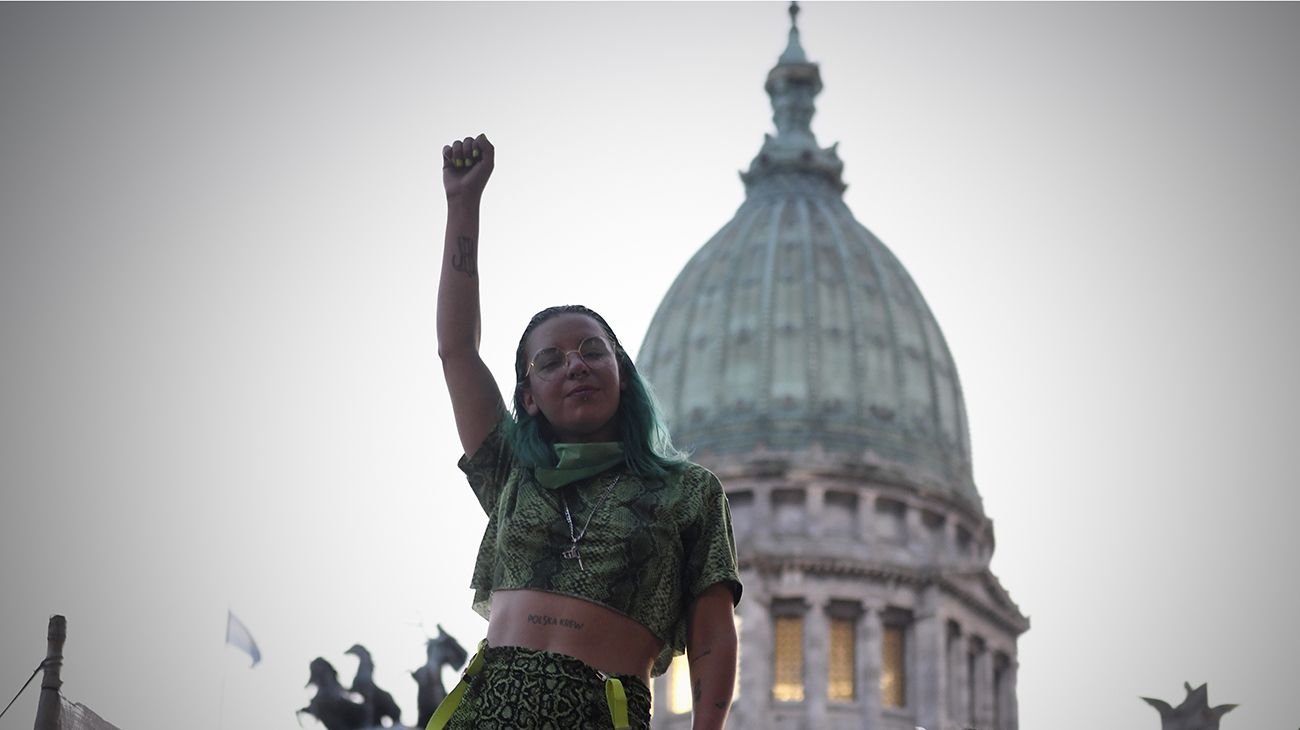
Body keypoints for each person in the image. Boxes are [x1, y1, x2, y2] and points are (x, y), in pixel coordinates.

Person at [433, 133, 742, 730]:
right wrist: (462, 206)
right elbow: (456, 350)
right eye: (550, 361)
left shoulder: (691, 494)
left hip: (600, 714)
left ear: (622, 376)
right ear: (529, 396)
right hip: (485, 710)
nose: (574, 364)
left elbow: (711, 639)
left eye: (592, 351)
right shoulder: (510, 469)